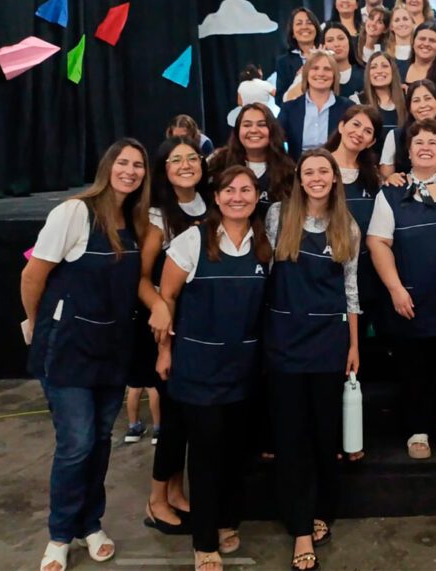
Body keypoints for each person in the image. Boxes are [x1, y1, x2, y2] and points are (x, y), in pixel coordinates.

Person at [22, 139, 150, 571]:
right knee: (75, 444)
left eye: (138, 166)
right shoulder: (74, 213)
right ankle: (60, 535)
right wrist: (37, 324)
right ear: (107, 166)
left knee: (98, 442)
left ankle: (90, 524)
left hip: (112, 349)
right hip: (69, 349)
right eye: (123, 163)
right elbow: (32, 273)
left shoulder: (136, 222)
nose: (130, 171)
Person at [156, 165, 271, 571]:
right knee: (205, 456)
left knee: (237, 453)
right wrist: (164, 351)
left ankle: (227, 520)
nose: (238, 196)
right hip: (198, 368)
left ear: (257, 196)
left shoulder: (265, 243)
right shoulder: (192, 240)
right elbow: (166, 298)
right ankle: (204, 541)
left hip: (244, 368)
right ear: (217, 197)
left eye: (246, 189)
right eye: (229, 190)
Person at [264, 150, 361, 570]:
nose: (317, 178)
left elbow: (351, 291)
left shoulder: (348, 226)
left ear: (335, 179)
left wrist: (354, 346)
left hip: (329, 344)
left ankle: (322, 509)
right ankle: (301, 529)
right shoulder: (277, 217)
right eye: (309, 172)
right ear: (299, 179)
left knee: (325, 437)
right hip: (283, 342)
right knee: (291, 438)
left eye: (325, 171)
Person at [368, 119, 436, 459]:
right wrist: (396, 289)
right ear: (408, 153)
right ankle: (416, 429)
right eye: (419, 143)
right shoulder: (390, 193)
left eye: (433, 142)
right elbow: (378, 243)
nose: (426, 147)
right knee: (412, 367)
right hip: (409, 298)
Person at [139, 136, 209, 536]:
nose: (186, 164)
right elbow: (143, 278)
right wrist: (160, 309)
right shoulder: (157, 216)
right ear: (164, 170)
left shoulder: (210, 204)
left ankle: (178, 494)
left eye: (192, 158)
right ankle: (156, 500)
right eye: (175, 160)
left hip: (199, 326)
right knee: (172, 420)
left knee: (187, 420)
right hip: (167, 329)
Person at [327, 105, 385, 387]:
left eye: (368, 131)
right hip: (325, 279)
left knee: (357, 355)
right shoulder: (317, 167)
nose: (359, 133)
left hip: (365, 279)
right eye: (355, 125)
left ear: (372, 142)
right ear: (341, 126)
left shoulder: (373, 176)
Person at [210, 103, 295, 217]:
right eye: (247, 125)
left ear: (272, 130)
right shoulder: (219, 163)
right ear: (237, 130)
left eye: (261, 125)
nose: (254, 130)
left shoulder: (288, 170)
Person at [379, 79, 436, 181]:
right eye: (416, 100)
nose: (423, 105)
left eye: (428, 99)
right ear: (409, 107)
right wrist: (391, 178)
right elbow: (385, 176)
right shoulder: (394, 136)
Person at [281, 51, 351, 159]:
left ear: (334, 75)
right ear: (306, 74)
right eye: (315, 68)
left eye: (327, 69)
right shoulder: (289, 108)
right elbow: (274, 140)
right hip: (297, 170)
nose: (321, 73)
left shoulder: (348, 108)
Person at [356, 50, 406, 149]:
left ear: (393, 71)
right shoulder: (357, 101)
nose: (379, 71)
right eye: (373, 67)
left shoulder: (407, 99)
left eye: (384, 66)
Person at [276, 8, 322, 106]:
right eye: (299, 23)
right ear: (292, 33)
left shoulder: (328, 54)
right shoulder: (283, 62)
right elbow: (279, 100)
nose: (304, 27)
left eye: (309, 23)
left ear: (316, 29)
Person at [322, 22, 365, 100]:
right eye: (330, 40)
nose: (336, 44)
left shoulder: (365, 73)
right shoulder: (320, 76)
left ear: (349, 41)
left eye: (341, 38)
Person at [400, 21, 436, 89]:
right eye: (422, 39)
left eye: (432, 40)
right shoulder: (398, 69)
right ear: (413, 42)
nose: (426, 44)